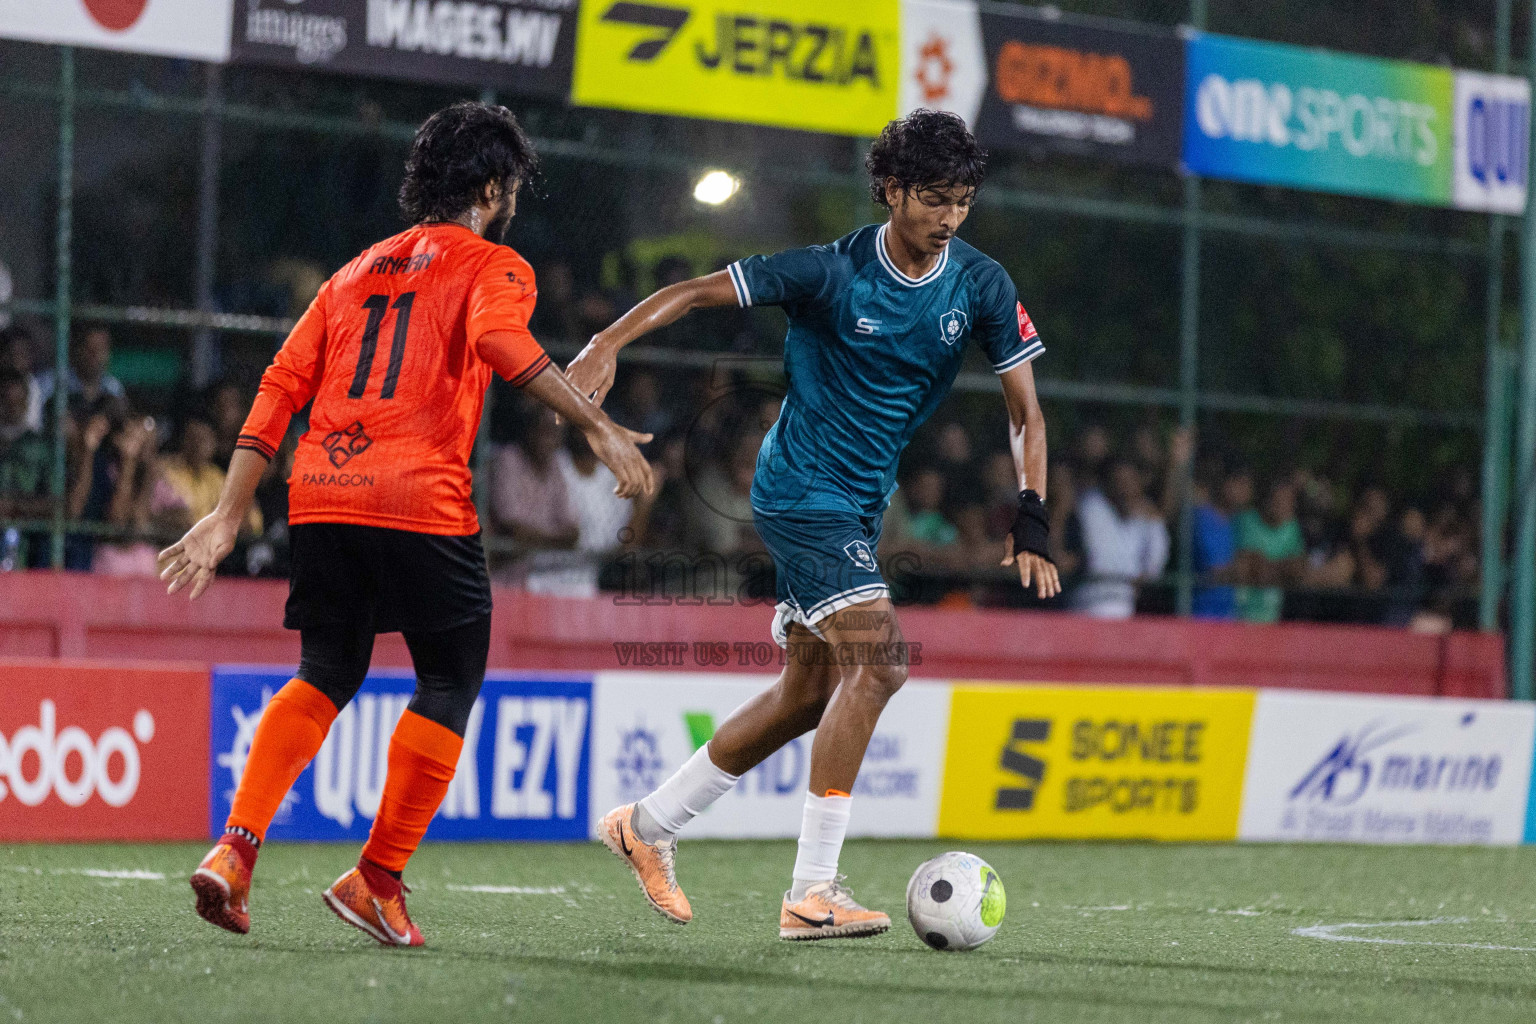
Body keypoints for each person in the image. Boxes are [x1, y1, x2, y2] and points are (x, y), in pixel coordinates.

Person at [158, 102, 653, 947]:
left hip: (319, 491)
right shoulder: (494, 265)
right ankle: (377, 878)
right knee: (451, 677)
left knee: (325, 669)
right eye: (509, 191)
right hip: (417, 497)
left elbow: (279, 389)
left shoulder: (350, 274)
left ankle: (236, 852)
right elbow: (499, 340)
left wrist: (227, 512)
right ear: (491, 189)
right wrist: (598, 426)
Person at [565, 109, 1058, 940]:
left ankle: (644, 826)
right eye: (935, 198)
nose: (949, 218)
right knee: (883, 661)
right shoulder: (829, 272)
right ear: (893, 190)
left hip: (861, 503)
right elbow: (695, 291)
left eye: (963, 201)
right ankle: (812, 892)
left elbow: (1025, 411)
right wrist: (608, 341)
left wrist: (1033, 512)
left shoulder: (980, 284)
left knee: (806, 696)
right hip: (801, 490)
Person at [1070, 458, 1169, 619]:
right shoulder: (1092, 507)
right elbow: (1100, 560)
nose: (1124, 487)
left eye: (1129, 481)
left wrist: (1154, 521)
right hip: (1088, 605)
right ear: (1108, 484)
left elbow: (1154, 566)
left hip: (1124, 608)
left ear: (1139, 484)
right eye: (1118, 481)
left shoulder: (1147, 519)